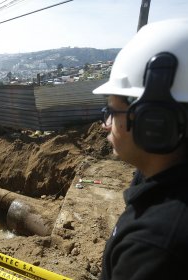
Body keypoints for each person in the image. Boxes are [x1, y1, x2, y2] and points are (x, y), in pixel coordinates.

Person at [92, 18, 188, 279]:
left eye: (112, 112)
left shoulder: (155, 247)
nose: (105, 125)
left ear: (153, 121)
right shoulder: (156, 181)